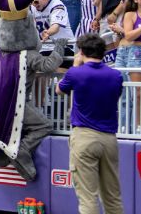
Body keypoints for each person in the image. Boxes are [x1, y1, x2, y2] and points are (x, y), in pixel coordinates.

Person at [57, 33, 125, 214]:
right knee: (113, 198)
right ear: (103, 52)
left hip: (84, 136)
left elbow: (59, 89)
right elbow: (116, 96)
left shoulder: (76, 72)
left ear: (81, 51)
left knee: (88, 198)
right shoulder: (116, 75)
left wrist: (75, 64)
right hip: (109, 138)